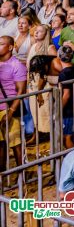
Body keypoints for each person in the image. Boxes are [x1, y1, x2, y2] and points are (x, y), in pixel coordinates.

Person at [0, 35, 27, 170]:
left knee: (15, 142)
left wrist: (11, 112)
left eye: (1, 44)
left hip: (9, 107)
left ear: (10, 47)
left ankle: (22, 174)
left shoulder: (17, 65)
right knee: (1, 143)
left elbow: (21, 90)